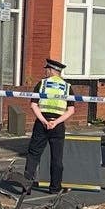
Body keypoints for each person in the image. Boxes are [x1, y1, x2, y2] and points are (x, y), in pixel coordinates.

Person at [21, 56, 73, 194]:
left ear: (51, 70)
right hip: (58, 125)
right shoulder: (67, 87)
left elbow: (33, 105)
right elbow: (71, 110)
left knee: (33, 154)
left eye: (47, 70)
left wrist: (44, 121)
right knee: (56, 157)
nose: (45, 72)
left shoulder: (42, 84)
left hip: (41, 123)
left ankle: (26, 187)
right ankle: (55, 188)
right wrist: (55, 122)